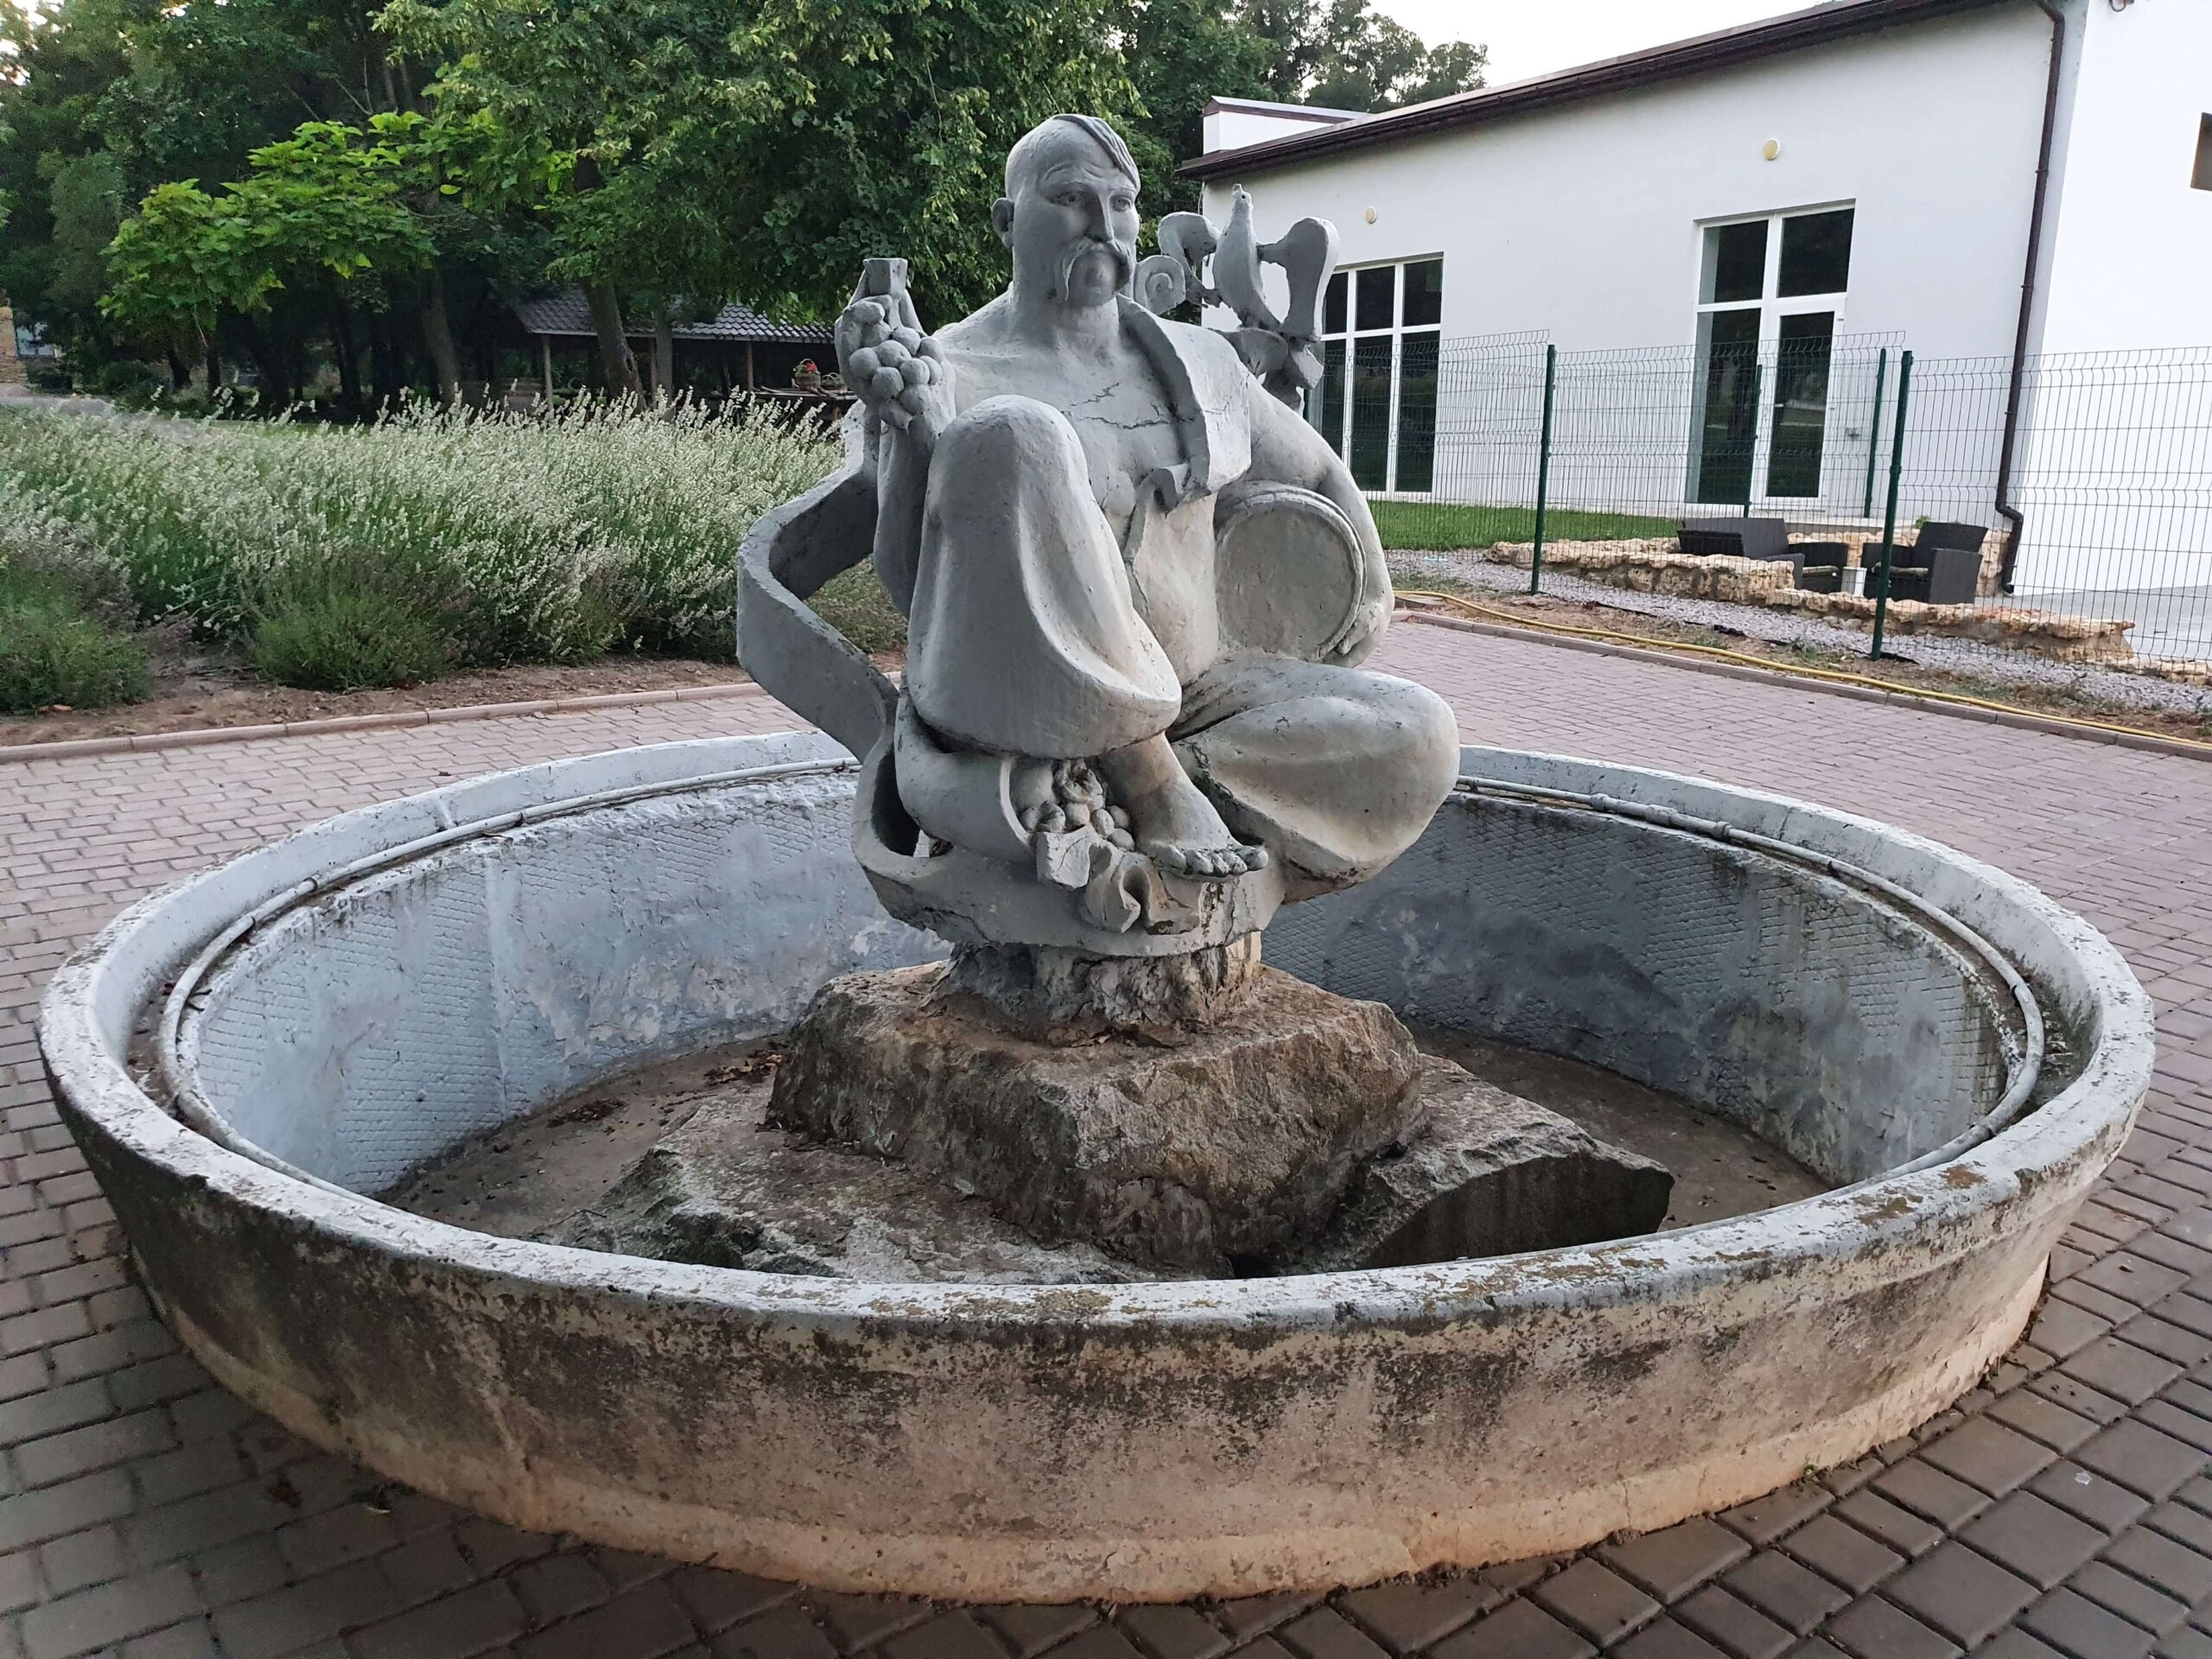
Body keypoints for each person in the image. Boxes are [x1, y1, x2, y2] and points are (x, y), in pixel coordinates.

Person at [837, 113, 1458, 900]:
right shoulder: (944, 367)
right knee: (1017, 433)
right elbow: (910, 584)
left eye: (1122, 203)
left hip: (1201, 696)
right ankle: (1149, 783)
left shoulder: (1200, 360)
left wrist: (1370, 590)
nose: (1103, 224)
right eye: (1071, 198)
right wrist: (920, 432)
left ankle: (1135, 783)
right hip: (1027, 708)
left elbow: (1320, 471)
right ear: (1006, 221)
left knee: (1421, 735)